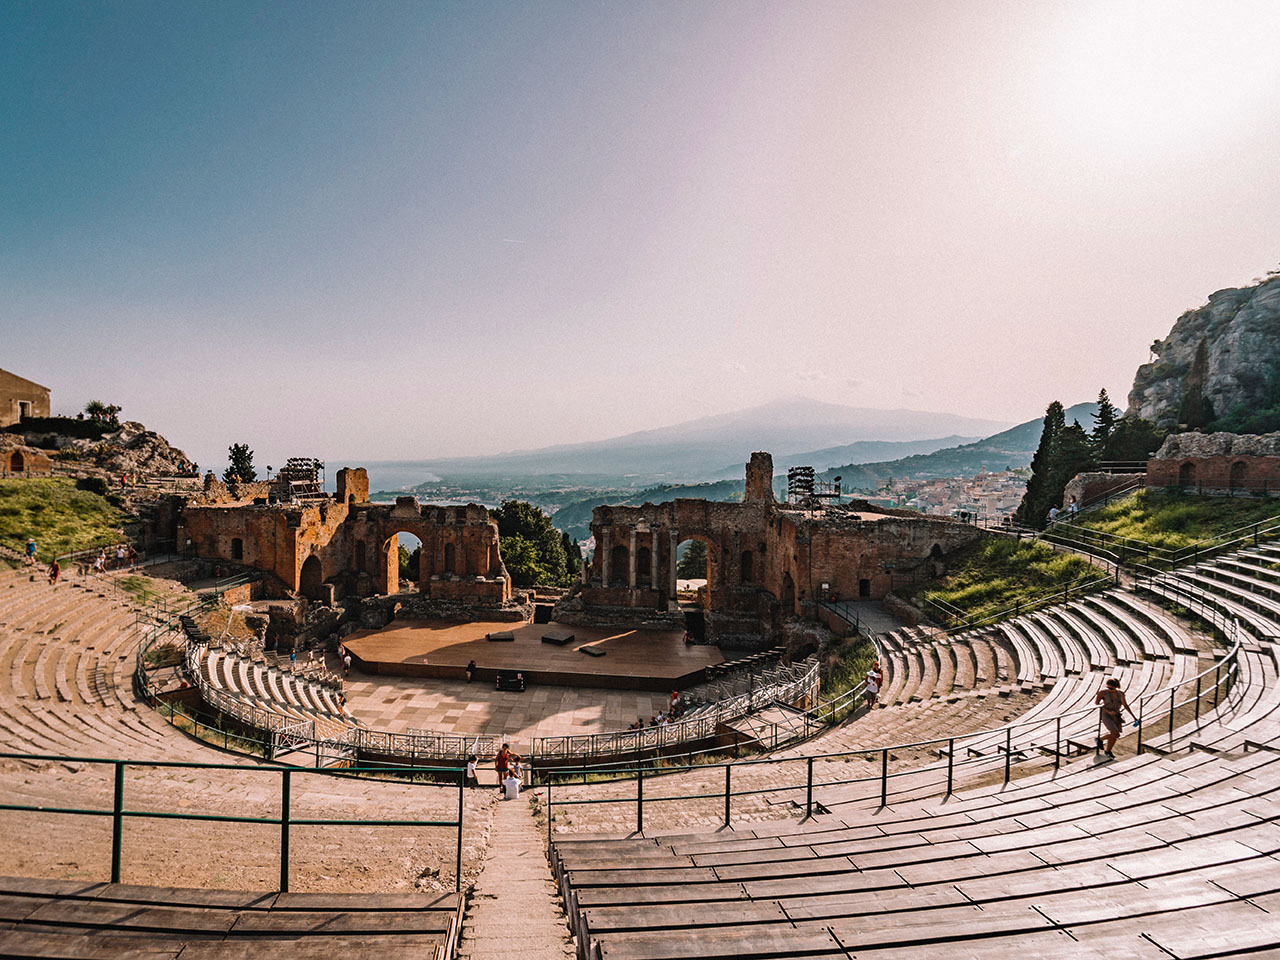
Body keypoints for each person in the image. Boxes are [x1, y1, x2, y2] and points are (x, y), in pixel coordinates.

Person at [1095, 677, 1135, 760]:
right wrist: (1108, 711)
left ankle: (1107, 750)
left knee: (1115, 735)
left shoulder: (1121, 694)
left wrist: (1134, 717)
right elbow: (1097, 703)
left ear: (1116, 687)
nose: (1108, 689)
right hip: (1106, 714)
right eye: (1108, 687)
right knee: (1115, 732)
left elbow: (1125, 705)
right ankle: (1100, 740)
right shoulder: (1103, 693)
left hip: (1116, 715)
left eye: (1111, 688)